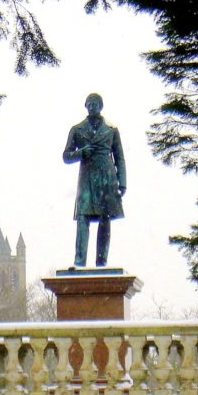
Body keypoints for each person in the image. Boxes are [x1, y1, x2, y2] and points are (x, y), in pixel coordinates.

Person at [62, 92, 126, 267]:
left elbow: (119, 157)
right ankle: (79, 261)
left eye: (96, 103)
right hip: (87, 179)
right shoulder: (77, 129)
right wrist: (80, 152)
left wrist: (123, 182)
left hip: (107, 178)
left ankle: (101, 262)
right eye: (89, 103)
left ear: (101, 106)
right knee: (83, 218)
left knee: (105, 219)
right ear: (85, 106)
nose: (93, 106)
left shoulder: (112, 130)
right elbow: (66, 156)